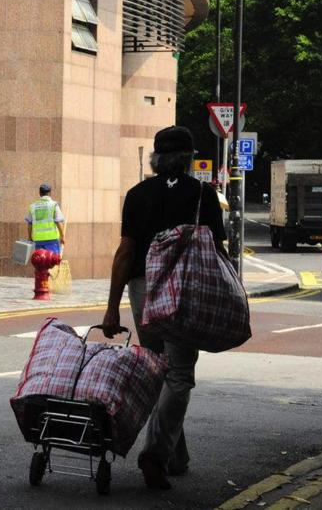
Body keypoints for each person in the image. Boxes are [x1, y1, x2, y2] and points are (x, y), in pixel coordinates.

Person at [100, 126, 227, 490]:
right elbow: (217, 255)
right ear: (189, 158)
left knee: (160, 371)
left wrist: (112, 307)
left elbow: (125, 253)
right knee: (180, 374)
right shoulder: (203, 195)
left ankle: (175, 456)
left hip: (144, 290)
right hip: (186, 293)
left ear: (156, 157)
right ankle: (155, 454)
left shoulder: (137, 195)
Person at [26, 183, 66, 255]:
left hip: (38, 240)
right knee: (52, 262)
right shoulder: (53, 205)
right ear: (50, 193)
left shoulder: (32, 206)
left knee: (41, 262)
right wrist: (62, 236)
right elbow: (58, 222)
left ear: (39, 193)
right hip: (51, 240)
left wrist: (29, 237)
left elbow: (30, 223)